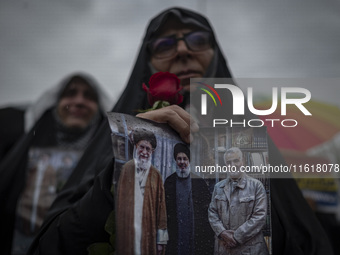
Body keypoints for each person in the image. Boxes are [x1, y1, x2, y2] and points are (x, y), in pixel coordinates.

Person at [29, 7, 333, 255]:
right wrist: (125, 168)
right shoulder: (122, 141)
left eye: (198, 39)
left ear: (215, 55)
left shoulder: (249, 140)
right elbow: (53, 243)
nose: (183, 50)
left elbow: (303, 241)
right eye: (165, 44)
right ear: (146, 63)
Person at [0, 73, 112, 255]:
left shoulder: (107, 159)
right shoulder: (24, 150)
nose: (79, 101)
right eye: (70, 93)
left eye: (89, 96)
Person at [116, 128, 168, 255]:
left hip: (148, 229)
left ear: (152, 151)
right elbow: (119, 202)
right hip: (128, 229)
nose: (144, 152)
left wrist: (160, 241)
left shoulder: (156, 175)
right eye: (142, 147)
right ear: (136, 147)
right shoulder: (126, 169)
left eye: (148, 149)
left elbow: (161, 209)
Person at [209, 147, 269, 255]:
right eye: (228, 162)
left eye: (236, 161)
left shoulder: (256, 186)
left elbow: (260, 217)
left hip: (251, 249)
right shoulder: (218, 187)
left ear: (243, 161)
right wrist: (222, 233)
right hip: (224, 249)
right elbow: (212, 213)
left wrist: (235, 237)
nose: (232, 165)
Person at [164, 143, 214, 255]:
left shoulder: (199, 182)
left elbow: (208, 213)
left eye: (185, 159)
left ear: (189, 161)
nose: (182, 162)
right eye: (179, 159)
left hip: (196, 235)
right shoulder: (169, 182)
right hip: (175, 235)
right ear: (175, 161)